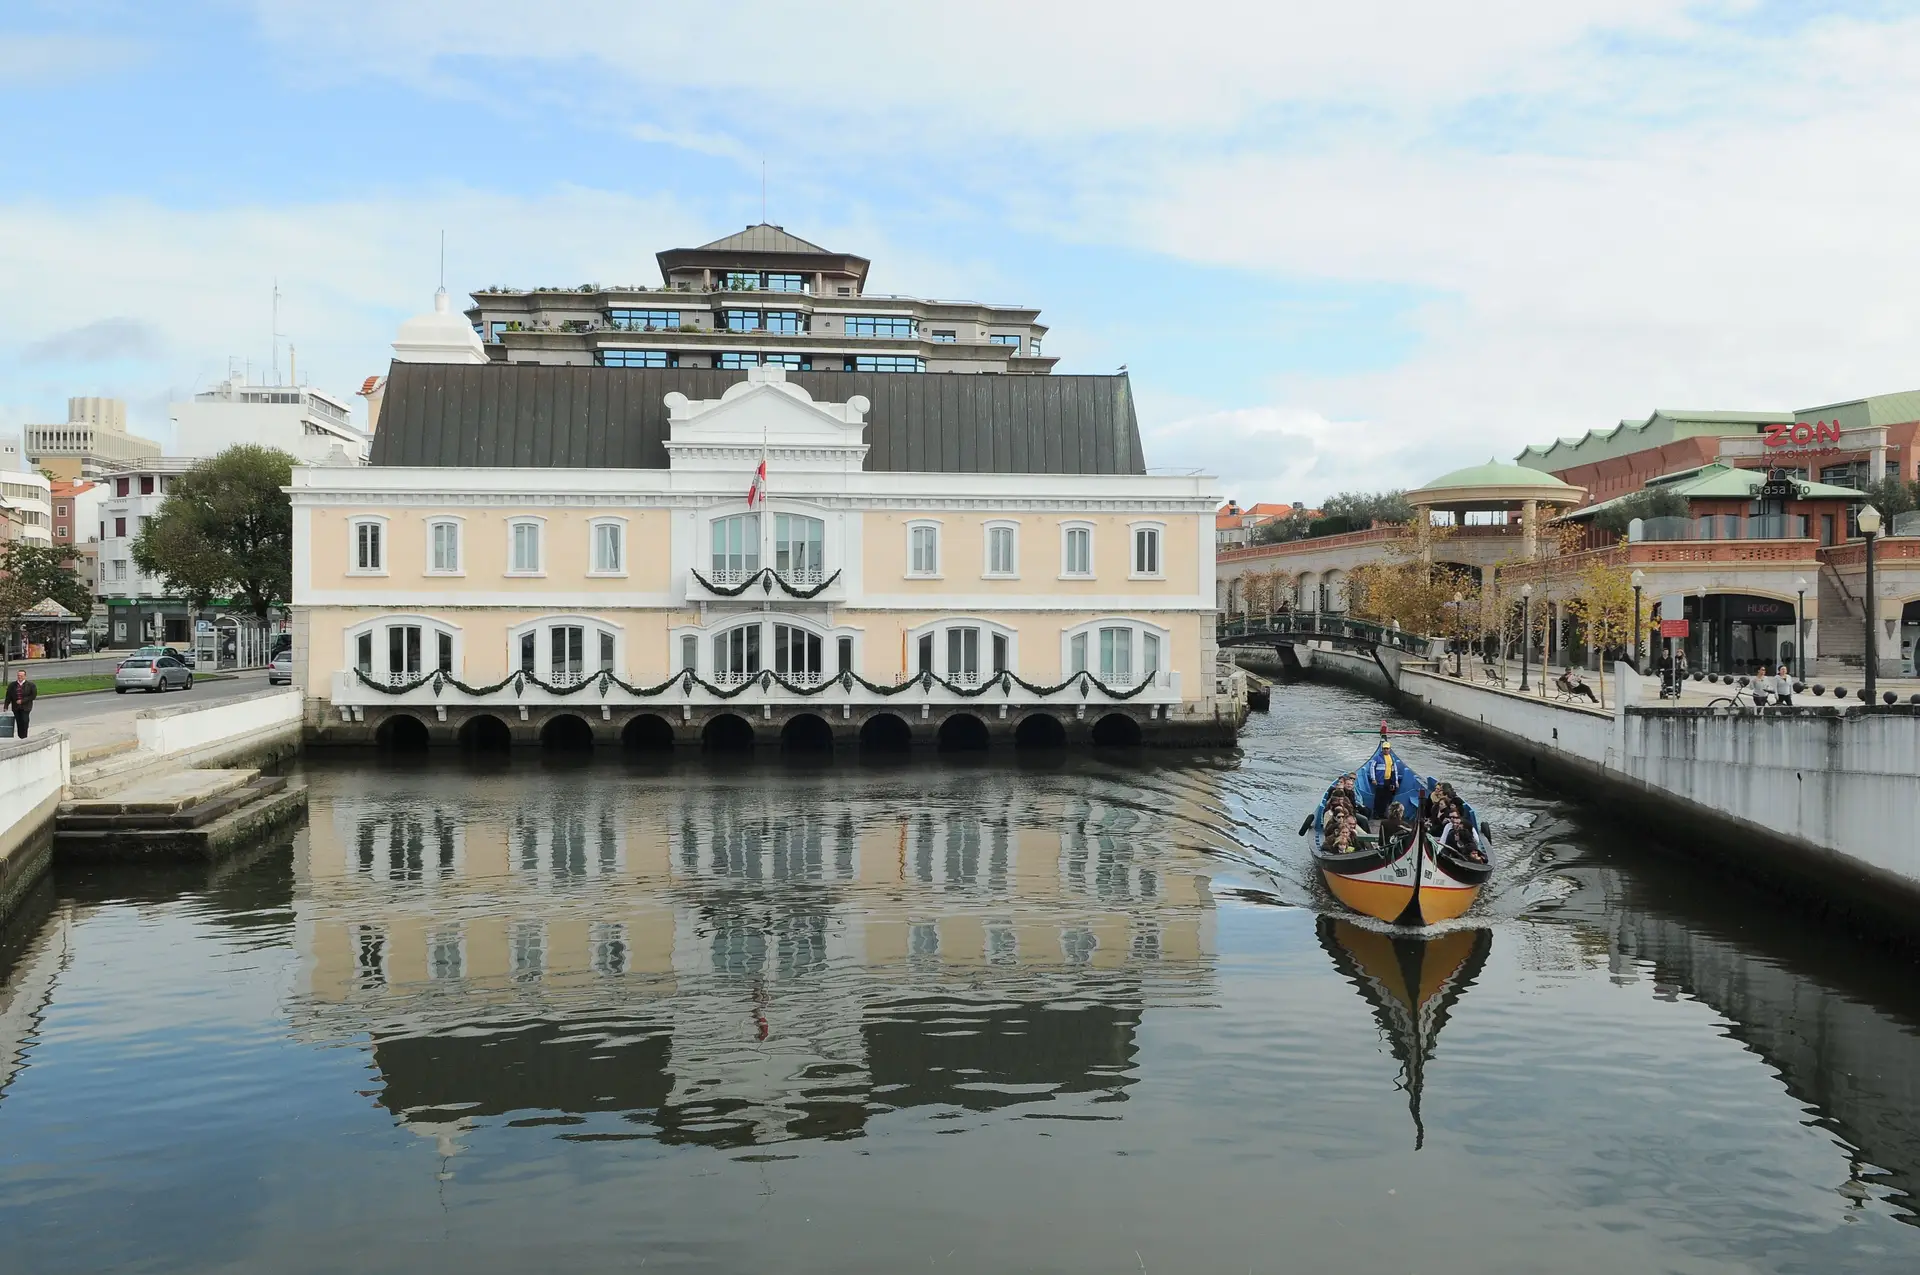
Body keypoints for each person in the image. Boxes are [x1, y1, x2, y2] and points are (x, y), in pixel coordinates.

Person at [5, 668, 36, 739]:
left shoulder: (31, 685)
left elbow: (33, 696)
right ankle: (21, 736)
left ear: (25, 676)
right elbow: (8, 696)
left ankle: (24, 736)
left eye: (21, 676)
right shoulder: (12, 685)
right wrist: (6, 706)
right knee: (19, 722)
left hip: (26, 707)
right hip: (16, 707)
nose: (20, 677)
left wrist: (22, 701)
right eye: (18, 676)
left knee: (25, 720)